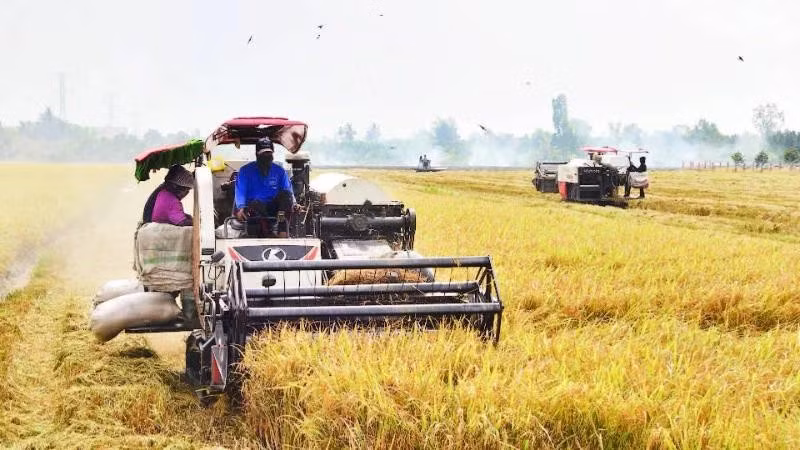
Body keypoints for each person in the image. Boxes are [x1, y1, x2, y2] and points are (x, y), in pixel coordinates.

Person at [234, 138, 296, 237]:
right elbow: (240, 191)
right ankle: (269, 233)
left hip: (273, 208)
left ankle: (282, 231)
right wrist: (241, 208)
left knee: (286, 195)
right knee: (256, 205)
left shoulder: (279, 171)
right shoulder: (245, 171)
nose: (266, 156)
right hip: (254, 208)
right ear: (257, 154)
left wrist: (294, 203)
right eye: (264, 153)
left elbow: (287, 190)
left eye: (269, 153)